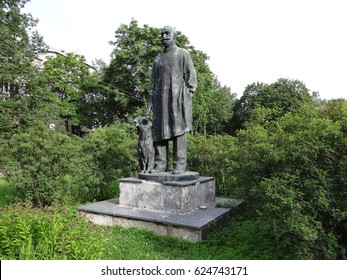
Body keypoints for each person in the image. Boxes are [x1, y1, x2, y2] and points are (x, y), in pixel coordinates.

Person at [148, 25, 197, 174]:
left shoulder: (183, 54)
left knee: (178, 130)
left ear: (174, 36)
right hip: (160, 100)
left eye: (167, 33)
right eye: (162, 34)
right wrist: (151, 101)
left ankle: (180, 164)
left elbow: (191, 74)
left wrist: (188, 93)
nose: (163, 36)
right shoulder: (158, 59)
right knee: (159, 132)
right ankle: (160, 164)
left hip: (177, 99)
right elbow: (153, 82)